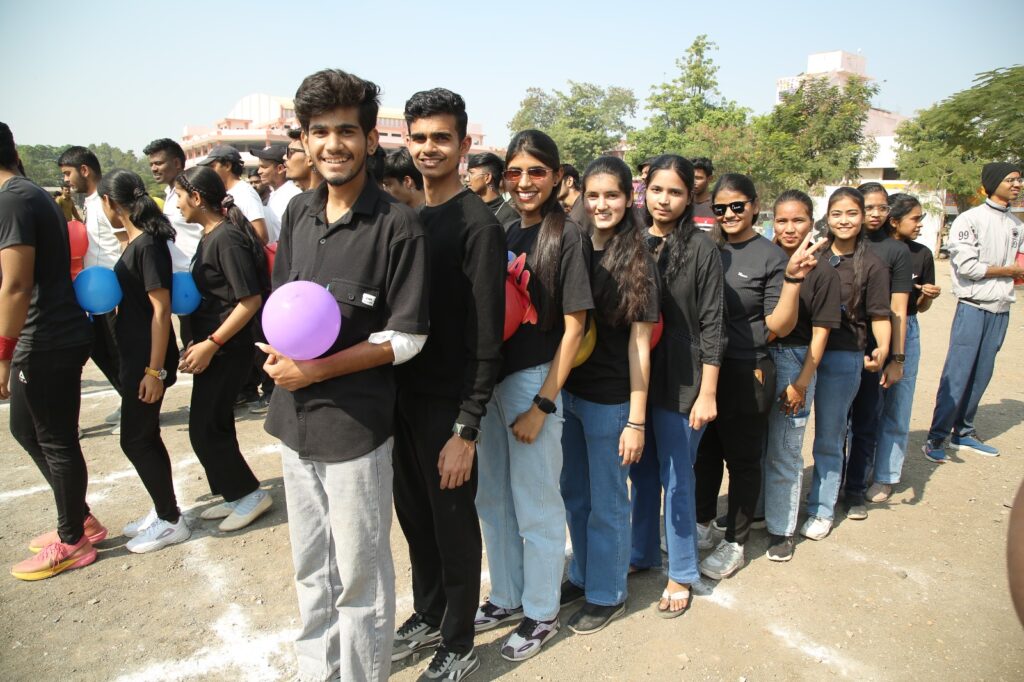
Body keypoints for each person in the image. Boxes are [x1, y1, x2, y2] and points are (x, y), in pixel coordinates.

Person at [260, 68, 429, 682]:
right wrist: (279, 357)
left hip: (356, 430)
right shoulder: (298, 212)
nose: (333, 144)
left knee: (359, 579)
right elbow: (285, 307)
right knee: (311, 569)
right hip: (293, 424)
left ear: (370, 140)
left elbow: (407, 338)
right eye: (320, 132)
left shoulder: (397, 226)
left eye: (347, 131)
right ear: (305, 140)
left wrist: (316, 370)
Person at [390, 88, 505, 680]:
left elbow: (487, 335)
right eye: (419, 137)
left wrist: (467, 427)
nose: (429, 148)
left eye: (442, 137)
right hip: (402, 398)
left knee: (453, 524)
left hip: (448, 406)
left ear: (463, 145)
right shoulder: (409, 218)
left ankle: (459, 640)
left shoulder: (478, 226)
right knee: (415, 518)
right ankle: (431, 612)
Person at [474, 130, 592, 662]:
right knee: (492, 498)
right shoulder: (502, 228)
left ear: (557, 176)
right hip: (493, 381)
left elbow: (575, 328)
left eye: (536, 172)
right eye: (515, 172)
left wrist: (543, 404)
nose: (524, 182)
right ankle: (506, 595)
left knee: (537, 502)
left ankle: (542, 610)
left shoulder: (567, 236)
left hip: (533, 381)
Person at [694, 173, 820, 580]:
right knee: (705, 453)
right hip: (705, 368)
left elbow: (779, 325)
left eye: (737, 206)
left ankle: (735, 542)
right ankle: (702, 523)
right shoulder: (708, 247)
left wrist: (794, 280)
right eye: (720, 208)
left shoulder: (771, 257)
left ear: (754, 206)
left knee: (743, 459)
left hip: (748, 368)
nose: (729, 214)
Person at [560, 156, 658, 633]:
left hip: (611, 403)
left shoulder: (639, 260)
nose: (601, 205)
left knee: (608, 502)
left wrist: (636, 420)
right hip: (569, 395)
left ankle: (608, 592)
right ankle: (583, 575)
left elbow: (641, 348)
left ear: (628, 198)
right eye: (593, 195)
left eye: (612, 195)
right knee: (574, 495)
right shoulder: (573, 246)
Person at [1, 122, 99, 580]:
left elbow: (16, 285)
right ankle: (81, 519)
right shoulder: (27, 194)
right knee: (26, 429)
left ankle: (73, 540)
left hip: (46, 338)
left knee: (56, 439)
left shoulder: (13, 199)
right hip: (46, 335)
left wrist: (3, 353)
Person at [628, 155, 723, 617]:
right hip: (636, 379)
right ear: (644, 190)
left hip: (683, 381)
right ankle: (641, 551)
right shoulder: (632, 239)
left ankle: (682, 569)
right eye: (657, 190)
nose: (664, 200)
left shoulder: (702, 249)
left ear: (690, 197)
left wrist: (708, 392)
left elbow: (713, 324)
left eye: (675, 192)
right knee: (641, 473)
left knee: (677, 478)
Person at [172, 166, 273, 532]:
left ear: (197, 197)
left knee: (204, 428)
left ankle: (249, 494)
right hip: (215, 348)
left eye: (179, 196)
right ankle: (235, 494)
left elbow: (250, 300)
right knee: (215, 423)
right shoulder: (210, 236)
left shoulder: (226, 239)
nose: (177, 205)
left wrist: (212, 344)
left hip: (229, 349)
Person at [97, 169, 189, 553]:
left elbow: (161, 310)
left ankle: (170, 520)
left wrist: (154, 371)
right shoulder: (136, 241)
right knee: (145, 436)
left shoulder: (148, 245)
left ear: (109, 202)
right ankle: (164, 508)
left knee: (135, 440)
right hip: (135, 356)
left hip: (147, 361)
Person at [803, 187, 891, 541]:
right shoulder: (814, 254)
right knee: (785, 438)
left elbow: (880, 314)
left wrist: (884, 348)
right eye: (837, 214)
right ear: (827, 217)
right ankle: (774, 506)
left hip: (842, 357)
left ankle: (821, 509)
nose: (844, 220)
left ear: (862, 217)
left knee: (830, 436)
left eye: (851, 213)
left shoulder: (873, 264)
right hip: (802, 352)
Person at [759, 190, 840, 562]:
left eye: (798, 220)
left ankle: (782, 529)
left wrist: (802, 383)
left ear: (811, 222)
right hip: (759, 358)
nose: (789, 228)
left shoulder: (823, 271)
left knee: (785, 450)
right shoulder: (764, 259)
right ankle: (756, 511)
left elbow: (821, 333)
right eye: (782, 220)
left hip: (794, 360)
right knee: (756, 446)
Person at [923, 163, 1024, 462]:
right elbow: (968, 267)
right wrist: (1007, 271)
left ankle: (963, 432)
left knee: (982, 374)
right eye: (1010, 180)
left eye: (1019, 180)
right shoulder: (970, 220)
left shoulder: (1016, 224)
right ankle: (936, 437)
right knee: (958, 374)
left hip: (1001, 308)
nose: (1017, 185)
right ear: (993, 183)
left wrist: (1014, 273)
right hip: (973, 307)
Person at [842, 182, 912, 520]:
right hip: (839, 344)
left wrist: (896, 357)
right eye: (867, 207)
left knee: (866, 420)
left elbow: (897, 309)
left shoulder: (895, 251)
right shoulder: (839, 245)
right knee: (834, 423)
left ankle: (855, 488)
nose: (875, 214)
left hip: (876, 348)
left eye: (882, 207)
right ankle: (830, 484)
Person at [869, 193, 939, 501]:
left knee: (897, 405)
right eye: (915, 218)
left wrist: (927, 297)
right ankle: (857, 470)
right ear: (894, 221)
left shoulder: (922, 254)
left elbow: (918, 307)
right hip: (871, 327)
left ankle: (885, 475)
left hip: (906, 328)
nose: (920, 224)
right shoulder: (873, 248)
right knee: (864, 407)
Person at [58, 146, 125, 422]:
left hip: (113, 292)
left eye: (68, 173)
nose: (66, 180)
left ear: (84, 170)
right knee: (99, 349)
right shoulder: (88, 202)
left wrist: (124, 292)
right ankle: (128, 398)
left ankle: (137, 407)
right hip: (95, 294)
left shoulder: (107, 201)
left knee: (119, 352)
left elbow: (125, 243)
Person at [143, 138, 204, 276]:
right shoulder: (170, 194)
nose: (154, 169)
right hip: (179, 275)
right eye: (151, 164)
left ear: (176, 163)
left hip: (196, 274)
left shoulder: (192, 193)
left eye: (158, 163)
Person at [197, 145, 269, 243]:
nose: (209, 171)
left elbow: (262, 237)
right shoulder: (226, 192)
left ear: (227, 166)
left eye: (212, 166)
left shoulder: (244, 193)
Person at [252, 143, 302, 243]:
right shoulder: (275, 194)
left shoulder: (292, 196)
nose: (259, 171)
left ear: (280, 169)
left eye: (264, 167)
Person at [465, 152, 518, 229]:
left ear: (487, 178)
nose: (466, 179)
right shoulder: (471, 209)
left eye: (471, 173)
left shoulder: (510, 217)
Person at [690, 157, 715, 231]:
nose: (694, 182)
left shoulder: (717, 206)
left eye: (698, 178)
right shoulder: (683, 205)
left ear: (709, 179)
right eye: (691, 177)